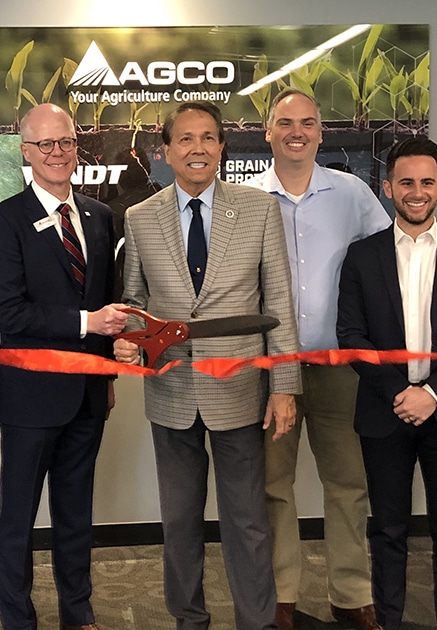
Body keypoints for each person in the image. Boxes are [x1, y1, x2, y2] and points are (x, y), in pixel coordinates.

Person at [113, 101, 300, 630]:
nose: (198, 148)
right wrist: (131, 340)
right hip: (171, 392)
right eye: (186, 139)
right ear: (166, 150)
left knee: (248, 522)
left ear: (222, 147)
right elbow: (134, 304)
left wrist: (284, 386)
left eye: (209, 138)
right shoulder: (140, 216)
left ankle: (257, 622)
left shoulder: (259, 209)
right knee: (179, 522)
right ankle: (187, 620)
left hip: (241, 390)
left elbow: (277, 305)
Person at [336, 137, 437, 630]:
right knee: (387, 532)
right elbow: (352, 337)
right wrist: (399, 395)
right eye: (406, 181)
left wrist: (430, 394)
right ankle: (389, 621)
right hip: (386, 414)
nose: (416, 191)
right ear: (388, 188)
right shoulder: (362, 256)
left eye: (426, 182)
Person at [244, 88, 390, 630]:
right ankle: (281, 595)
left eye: (307, 122)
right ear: (268, 131)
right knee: (272, 486)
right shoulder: (247, 198)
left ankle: (351, 595)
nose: (297, 132)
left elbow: (385, 264)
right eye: (286, 123)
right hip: (271, 371)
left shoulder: (352, 193)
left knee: (348, 484)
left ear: (321, 132)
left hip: (339, 368)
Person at [0, 103, 126, 630]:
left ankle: (77, 613)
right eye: (45, 145)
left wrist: (107, 374)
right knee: (17, 519)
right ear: (25, 152)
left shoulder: (99, 216)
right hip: (30, 395)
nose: (57, 153)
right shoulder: (3, 220)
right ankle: (18, 620)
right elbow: (10, 312)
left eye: (65, 142)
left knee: (75, 514)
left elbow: (109, 303)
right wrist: (88, 324)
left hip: (87, 393)